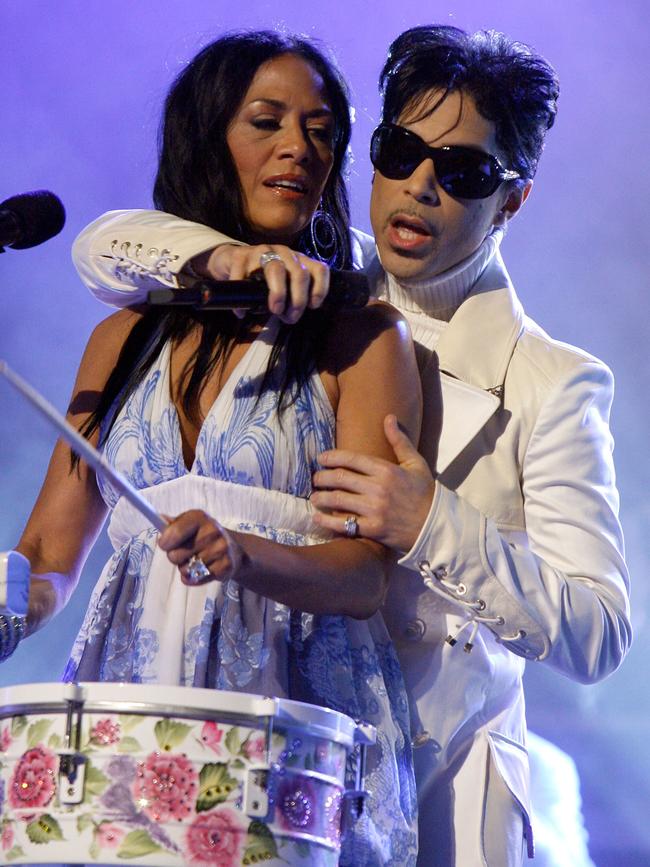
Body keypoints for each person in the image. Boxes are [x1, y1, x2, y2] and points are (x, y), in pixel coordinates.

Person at [64, 24, 631, 867]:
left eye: (465, 171)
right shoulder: (316, 290)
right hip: (280, 733)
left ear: (513, 199)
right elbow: (101, 245)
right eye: (399, 150)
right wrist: (219, 252)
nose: (421, 186)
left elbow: (599, 632)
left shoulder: (554, 379)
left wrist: (432, 522)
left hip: (445, 772)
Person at [5, 31, 421, 865]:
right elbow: (50, 551)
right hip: (135, 719)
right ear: (206, 140)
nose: (298, 149)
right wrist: (13, 604)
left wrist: (245, 552)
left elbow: (368, 572)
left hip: (293, 726)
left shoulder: (361, 335)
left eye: (320, 130)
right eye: (266, 122)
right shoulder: (120, 336)